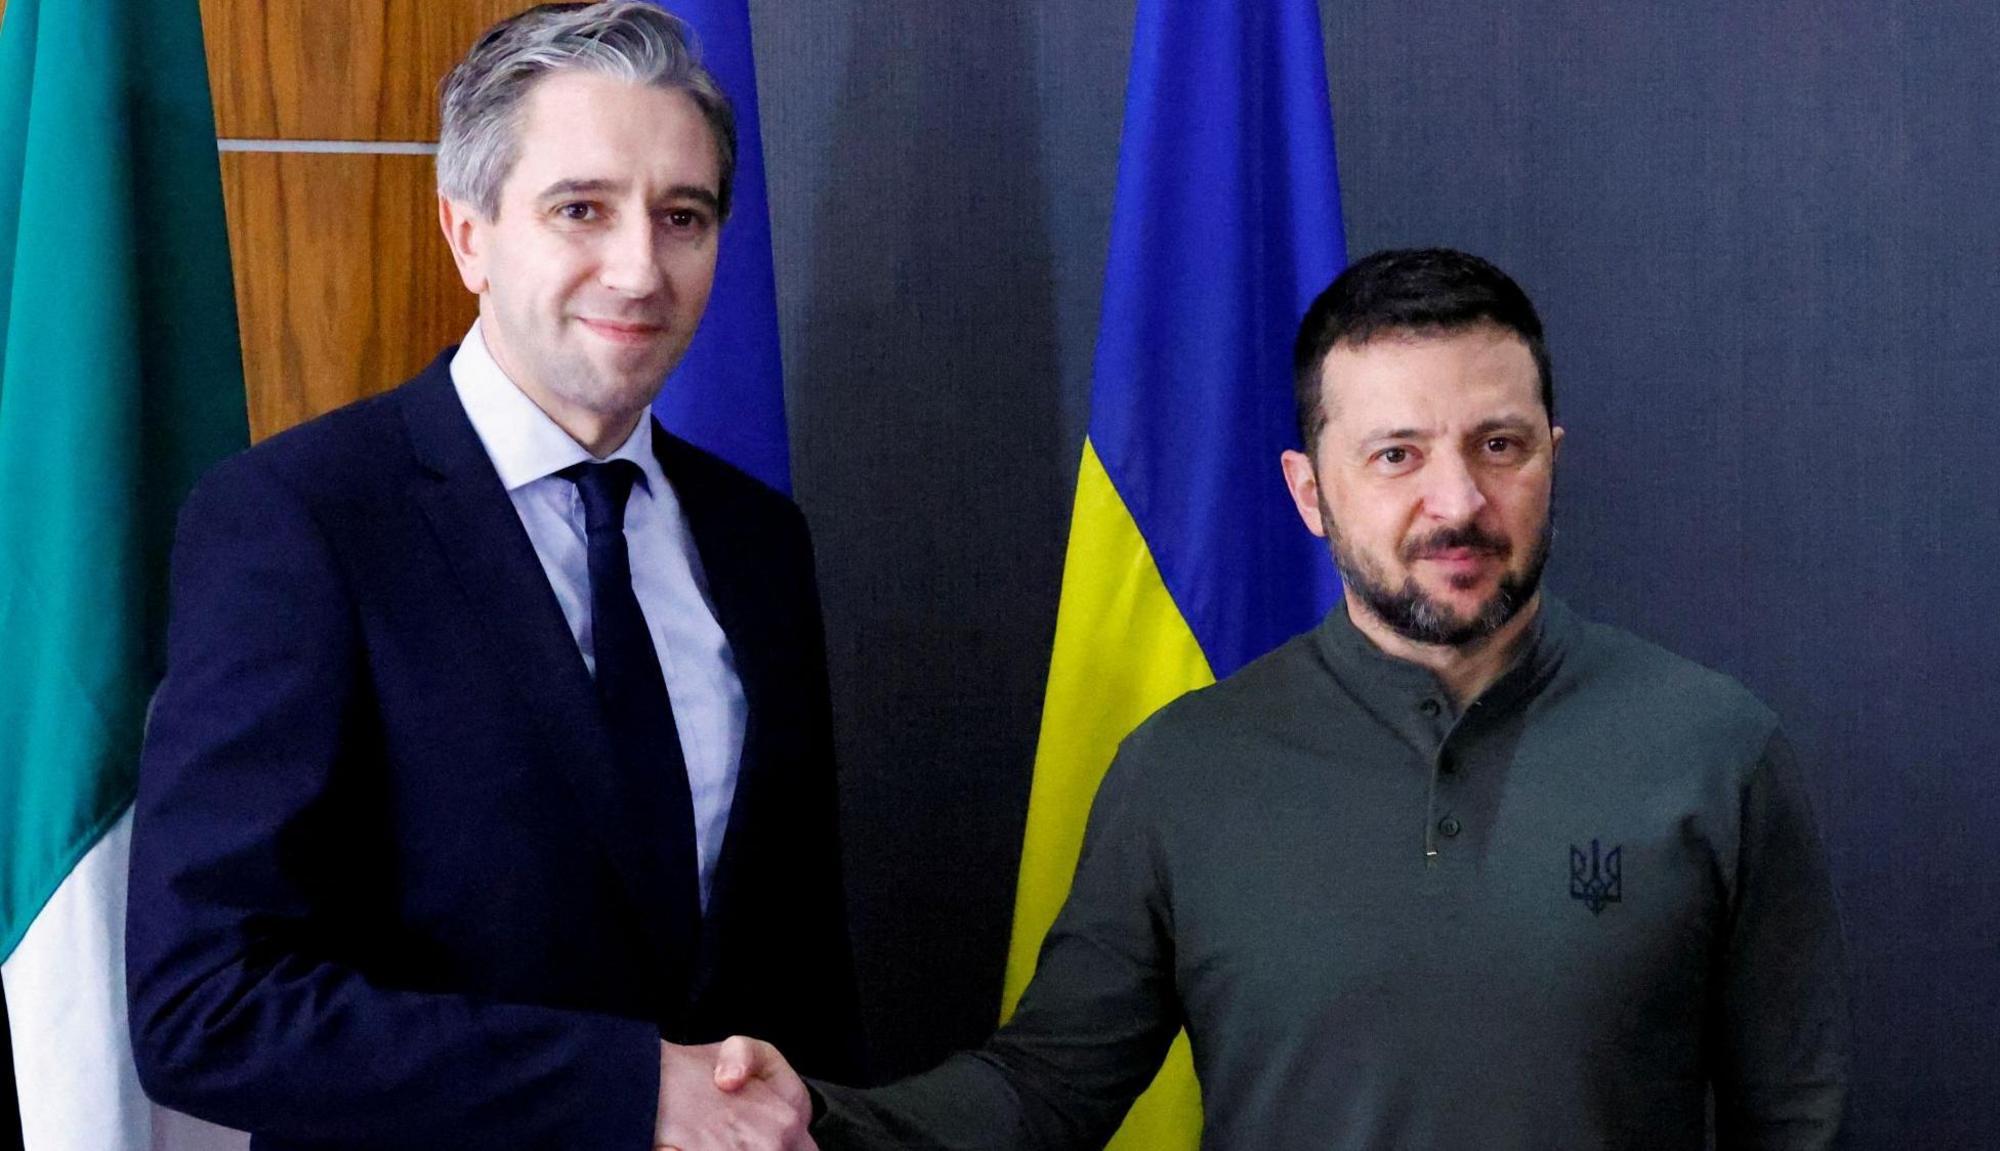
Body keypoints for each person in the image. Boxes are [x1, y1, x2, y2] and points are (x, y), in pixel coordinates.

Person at [717, 248, 1850, 1149]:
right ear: (1308, 492)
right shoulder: (1182, 769)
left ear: (1550, 456)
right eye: (1395, 455)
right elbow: (1044, 1090)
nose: (1455, 499)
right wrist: (816, 1117)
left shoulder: (1712, 747)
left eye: (1497, 444)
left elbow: (1795, 1120)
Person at [126, 4, 853, 1148]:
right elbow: (205, 1005)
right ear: (467, 232)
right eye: (581, 209)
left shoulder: (759, 538)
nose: (639, 268)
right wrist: (625, 1088)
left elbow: (791, 959)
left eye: (683, 216)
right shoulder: (299, 521)